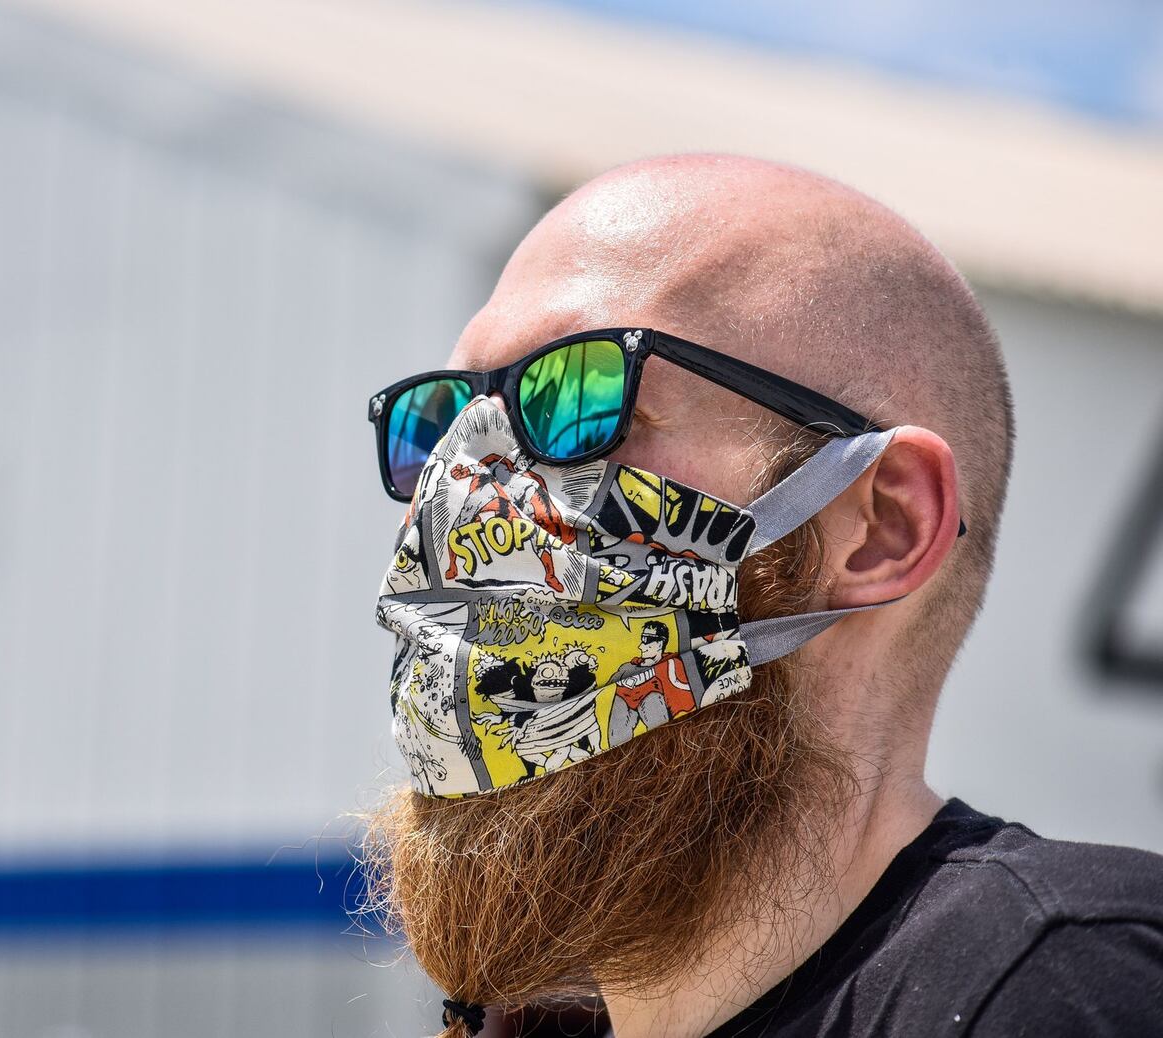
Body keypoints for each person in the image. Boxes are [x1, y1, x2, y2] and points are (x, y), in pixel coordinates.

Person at [363, 155, 1163, 1037]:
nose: (462, 497)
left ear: (881, 526)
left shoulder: (1063, 989)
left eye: (582, 397)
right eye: (439, 427)